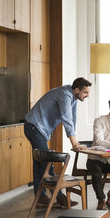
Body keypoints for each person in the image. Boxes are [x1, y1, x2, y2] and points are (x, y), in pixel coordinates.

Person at [24, 77, 92, 208]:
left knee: (40, 163)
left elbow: (72, 119)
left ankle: (41, 197)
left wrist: (75, 141)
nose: (87, 95)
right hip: (34, 127)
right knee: (47, 162)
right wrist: (74, 143)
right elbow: (66, 118)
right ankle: (59, 197)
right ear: (77, 90)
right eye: (85, 92)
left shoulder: (73, 97)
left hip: (36, 128)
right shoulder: (65, 95)